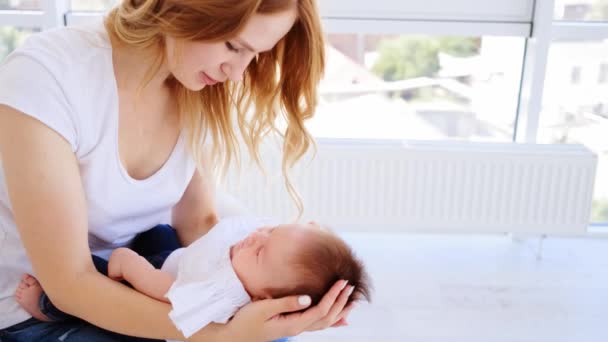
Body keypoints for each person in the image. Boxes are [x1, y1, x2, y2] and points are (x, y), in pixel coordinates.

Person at [0, 0, 355, 341]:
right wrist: (220, 334)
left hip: (142, 282)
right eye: (233, 46)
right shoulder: (45, 79)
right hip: (35, 308)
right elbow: (71, 285)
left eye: (255, 54)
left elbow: (198, 224)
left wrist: (264, 300)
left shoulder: (193, 84)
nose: (237, 73)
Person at [15, 217, 372, 340]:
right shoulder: (259, 272)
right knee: (160, 233)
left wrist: (128, 264)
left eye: (261, 252)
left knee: (95, 276)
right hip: (179, 262)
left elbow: (167, 293)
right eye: (271, 231)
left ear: (264, 299)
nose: (256, 237)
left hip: (157, 297)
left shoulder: (225, 295)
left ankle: (47, 305)